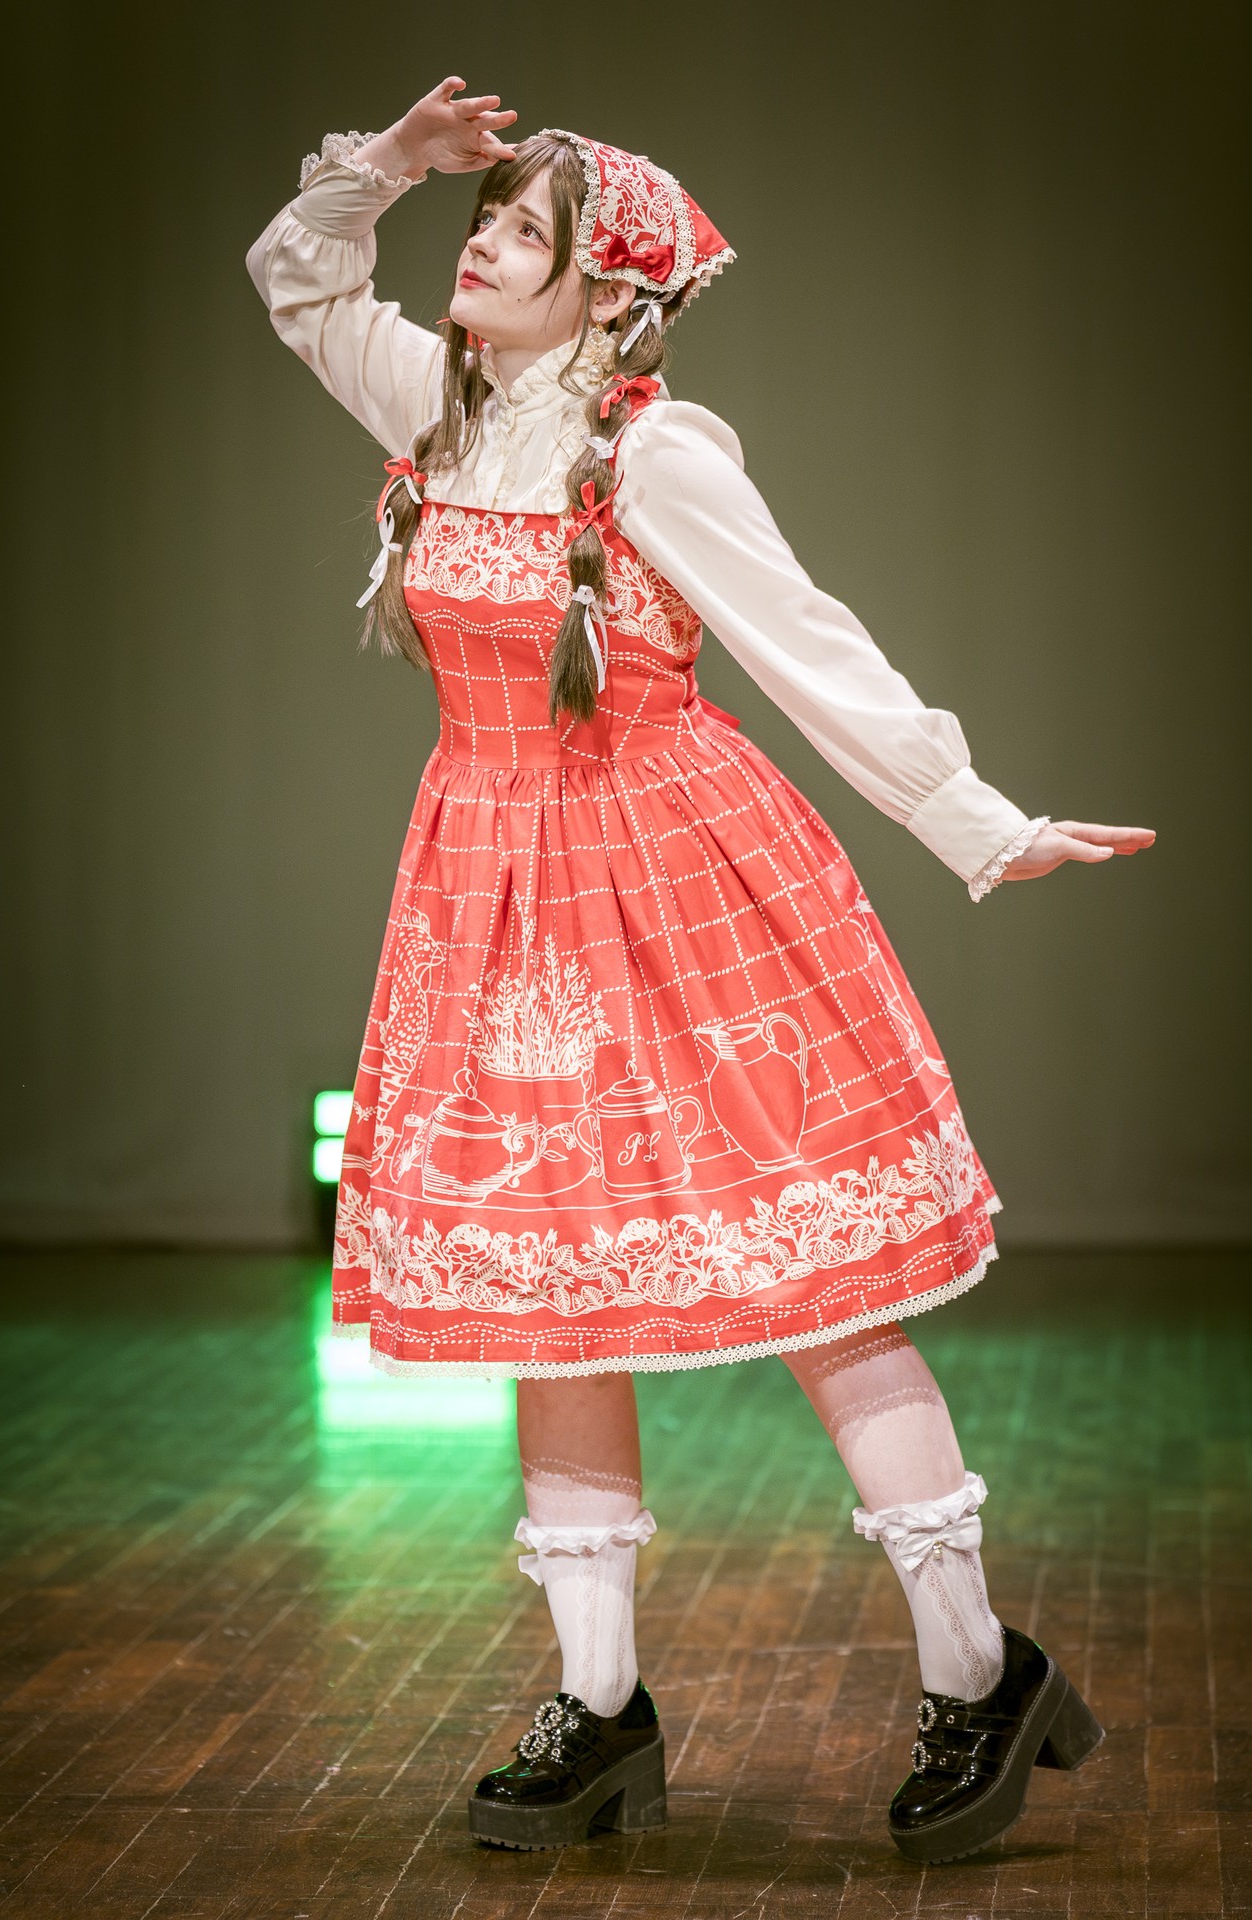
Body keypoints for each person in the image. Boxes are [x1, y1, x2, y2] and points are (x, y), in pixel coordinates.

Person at [246, 77, 1154, 1864]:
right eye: (484, 224)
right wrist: (390, 166)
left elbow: (812, 642)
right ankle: (598, 1709)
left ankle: (980, 1672)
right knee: (551, 1292)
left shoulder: (655, 453)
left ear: (608, 290)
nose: (480, 250)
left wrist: (981, 819)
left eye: (521, 233)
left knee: (812, 1281)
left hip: (674, 881)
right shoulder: (436, 407)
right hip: (493, 895)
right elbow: (296, 276)